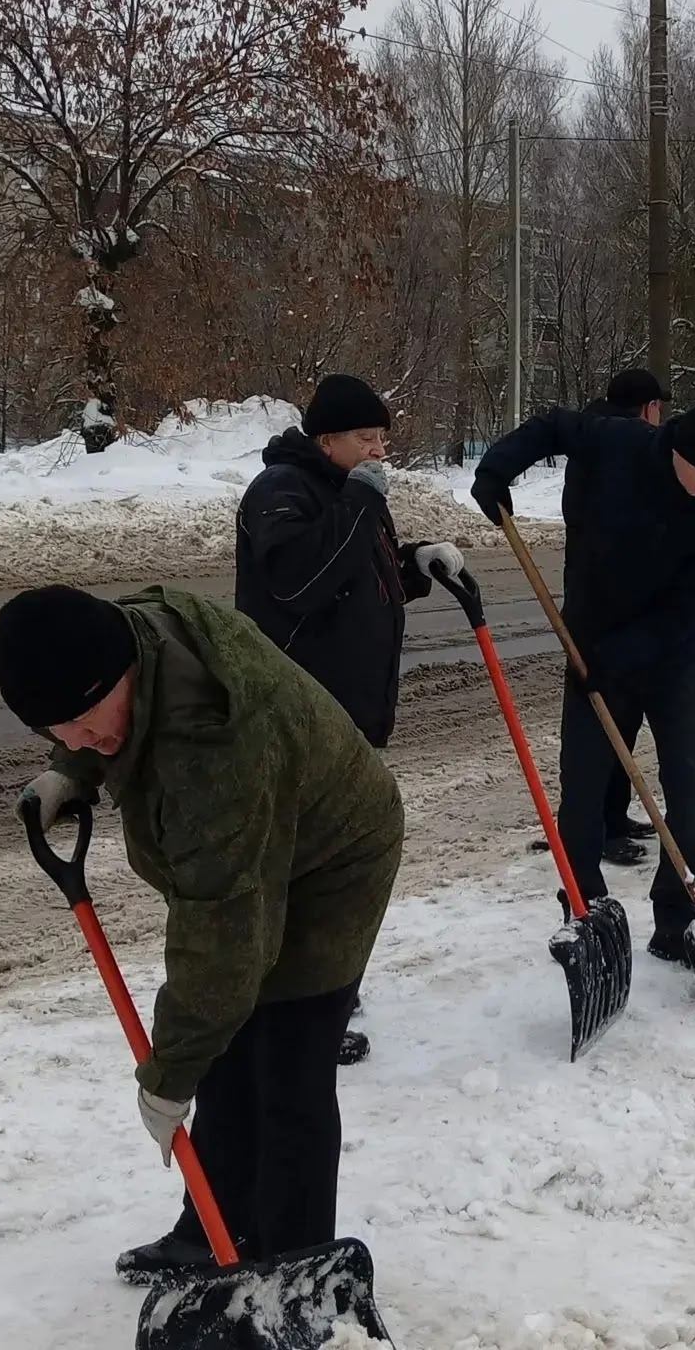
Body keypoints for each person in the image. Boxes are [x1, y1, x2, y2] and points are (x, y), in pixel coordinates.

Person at [0, 583, 403, 1283]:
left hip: (332, 860)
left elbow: (223, 946)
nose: (90, 742)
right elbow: (103, 705)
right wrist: (71, 770)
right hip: (264, 828)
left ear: (122, 669)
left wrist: (167, 1075)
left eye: (91, 725)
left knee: (289, 1065)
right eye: (66, 735)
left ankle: (291, 1274)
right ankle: (214, 1228)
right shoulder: (129, 636)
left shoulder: (213, 746)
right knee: (231, 1052)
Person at [471, 399, 695, 960]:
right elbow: (554, 425)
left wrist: (620, 657)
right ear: (678, 452)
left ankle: (676, 917)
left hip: (664, 662)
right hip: (588, 647)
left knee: (689, 789)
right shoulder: (620, 443)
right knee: (583, 793)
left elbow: (685, 615)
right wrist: (497, 468)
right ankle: (585, 909)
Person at [236, 373, 461, 1064]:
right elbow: (301, 584)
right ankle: (297, 1008)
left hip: (353, 713)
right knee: (308, 868)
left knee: (341, 863)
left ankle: (325, 989)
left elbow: (363, 569)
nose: (378, 452)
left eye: (383, 439)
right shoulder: (279, 493)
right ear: (326, 438)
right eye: (366, 439)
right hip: (299, 718)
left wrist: (415, 564)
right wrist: (363, 507)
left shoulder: (349, 491)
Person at [568, 367, 672, 867]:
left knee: (619, 720)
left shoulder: (593, 439)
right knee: (604, 725)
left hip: (601, 601)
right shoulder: (626, 449)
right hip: (610, 607)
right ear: (649, 409)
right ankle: (599, 831)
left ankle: (612, 815)